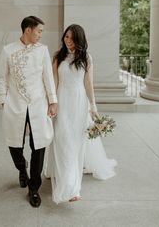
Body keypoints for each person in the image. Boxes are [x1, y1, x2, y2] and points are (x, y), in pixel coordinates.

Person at [48, 24, 117, 204]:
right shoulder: (58, 56)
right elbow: (53, 82)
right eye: (65, 37)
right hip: (62, 101)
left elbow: (88, 83)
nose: (67, 40)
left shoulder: (86, 57)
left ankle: (73, 188)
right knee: (62, 140)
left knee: (76, 142)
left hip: (79, 102)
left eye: (71, 37)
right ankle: (63, 177)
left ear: (79, 39)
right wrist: (51, 103)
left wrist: (93, 106)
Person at [0, 16, 57, 208]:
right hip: (14, 104)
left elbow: (48, 76)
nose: (41, 35)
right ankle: (22, 168)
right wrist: (3, 101)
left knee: (38, 145)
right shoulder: (8, 50)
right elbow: (1, 78)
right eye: (39, 31)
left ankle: (34, 188)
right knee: (14, 144)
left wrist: (52, 101)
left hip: (39, 104)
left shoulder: (42, 51)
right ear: (28, 30)